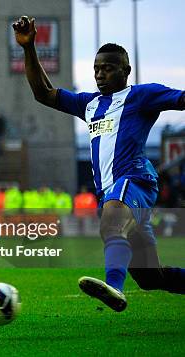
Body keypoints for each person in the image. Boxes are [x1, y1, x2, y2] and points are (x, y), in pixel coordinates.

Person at [13, 16, 185, 312]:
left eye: (108, 68)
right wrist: (29, 48)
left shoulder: (141, 95)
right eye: (96, 69)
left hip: (135, 181)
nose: (100, 74)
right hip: (112, 194)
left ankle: (114, 288)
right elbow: (43, 93)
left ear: (126, 70)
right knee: (150, 277)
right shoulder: (89, 104)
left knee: (112, 219)